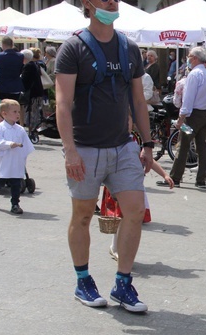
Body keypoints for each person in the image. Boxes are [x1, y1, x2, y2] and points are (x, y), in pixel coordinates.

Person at [55, 0, 155, 313]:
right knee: (83, 215)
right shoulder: (73, 48)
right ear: (88, 4)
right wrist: (69, 150)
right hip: (85, 147)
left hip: (122, 146)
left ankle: (123, 283)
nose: (111, 2)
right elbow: (62, 102)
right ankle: (83, 280)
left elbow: (139, 101)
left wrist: (148, 143)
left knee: (135, 211)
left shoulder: (129, 48)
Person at [161, 46, 206, 189]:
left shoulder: (194, 75)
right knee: (201, 146)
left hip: (192, 115)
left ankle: (175, 178)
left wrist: (181, 117)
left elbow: (189, 98)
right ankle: (201, 179)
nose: (188, 58)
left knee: (182, 145)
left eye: (190, 56)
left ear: (196, 58)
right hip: (204, 114)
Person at [0, 99, 35, 215]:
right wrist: (9, 144)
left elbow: (26, 145)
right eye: (14, 112)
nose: (18, 114)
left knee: (16, 183)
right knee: (0, 181)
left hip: (16, 161)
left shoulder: (20, 129)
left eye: (18, 112)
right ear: (4, 113)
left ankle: (15, 204)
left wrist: (24, 153)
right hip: (4, 160)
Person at [21, 48, 44, 133]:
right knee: (35, 112)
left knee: (32, 113)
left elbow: (25, 80)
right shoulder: (35, 64)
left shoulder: (28, 65)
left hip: (33, 93)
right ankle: (33, 130)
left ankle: (32, 131)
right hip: (37, 91)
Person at [0, 36, 23, 102]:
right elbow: (21, 69)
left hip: (3, 86)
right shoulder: (20, 56)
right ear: (12, 44)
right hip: (16, 86)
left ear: (2, 44)